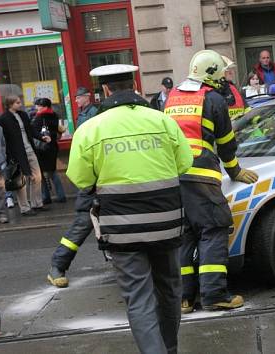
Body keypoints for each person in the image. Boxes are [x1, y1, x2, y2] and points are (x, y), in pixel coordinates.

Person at [67, 64, 192, 354]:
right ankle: (169, 348)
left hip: (122, 230)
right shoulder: (163, 122)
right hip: (167, 223)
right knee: (170, 289)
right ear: (134, 83)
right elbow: (184, 163)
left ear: (105, 90)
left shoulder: (91, 129)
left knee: (139, 297)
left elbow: (80, 179)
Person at [164, 50, 258, 314]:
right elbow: (226, 144)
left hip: (175, 176)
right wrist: (235, 171)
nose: (224, 77)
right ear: (212, 73)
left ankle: (184, 298)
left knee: (186, 235)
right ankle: (215, 294)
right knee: (215, 229)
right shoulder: (213, 99)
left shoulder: (172, 98)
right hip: (202, 177)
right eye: (222, 73)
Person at [48, 89, 99, 288]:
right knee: (83, 224)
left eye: (79, 97)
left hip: (111, 181)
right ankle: (58, 265)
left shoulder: (93, 113)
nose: (77, 100)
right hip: (93, 180)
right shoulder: (90, 115)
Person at [0, 95, 50, 216]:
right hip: (16, 154)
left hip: (30, 149)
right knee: (20, 181)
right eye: (17, 102)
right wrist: (8, 155)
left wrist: (42, 137)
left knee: (37, 176)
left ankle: (36, 204)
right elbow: (2, 139)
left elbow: (31, 130)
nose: (20, 104)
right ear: (10, 104)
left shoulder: (23, 115)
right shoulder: (3, 119)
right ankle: (25, 208)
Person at [31, 98, 66, 205]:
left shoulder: (39, 117)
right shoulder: (54, 115)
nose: (37, 107)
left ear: (45, 106)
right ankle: (61, 195)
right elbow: (58, 131)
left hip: (42, 148)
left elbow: (33, 132)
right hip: (52, 147)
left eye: (38, 105)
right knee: (52, 172)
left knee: (41, 173)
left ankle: (46, 197)